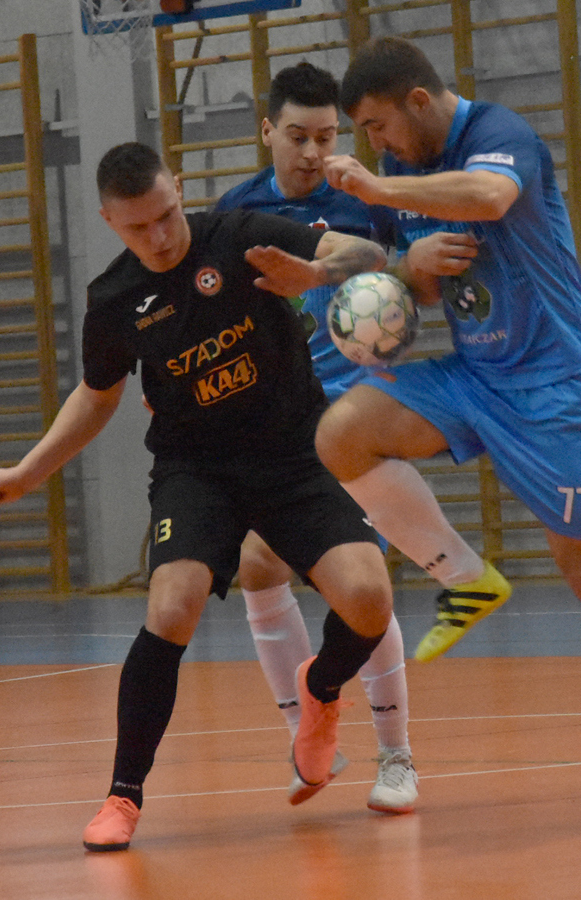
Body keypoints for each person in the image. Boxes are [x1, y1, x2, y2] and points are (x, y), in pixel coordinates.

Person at [315, 37, 581, 825]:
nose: (374, 143)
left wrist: (382, 187)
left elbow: (489, 199)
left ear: (418, 103)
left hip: (557, 390)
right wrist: (409, 268)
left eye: (378, 124)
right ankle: (465, 577)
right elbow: (413, 281)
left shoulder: (500, 134)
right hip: (475, 377)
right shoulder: (420, 171)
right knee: (344, 432)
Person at [0, 141, 394, 851]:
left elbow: (371, 255)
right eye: (140, 227)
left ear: (180, 189)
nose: (161, 236)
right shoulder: (113, 300)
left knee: (369, 599)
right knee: (171, 606)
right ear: (111, 222)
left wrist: (315, 272)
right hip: (197, 469)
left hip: (294, 454)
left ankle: (320, 688)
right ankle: (122, 796)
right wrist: (26, 473)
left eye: (167, 215)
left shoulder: (244, 236)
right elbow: (96, 397)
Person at [212, 60, 500, 814]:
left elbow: (417, 274)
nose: (312, 152)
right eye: (298, 136)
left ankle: (398, 757)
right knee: (258, 569)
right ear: (267, 131)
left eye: (328, 137)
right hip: (272, 425)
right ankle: (308, 731)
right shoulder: (233, 213)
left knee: (360, 588)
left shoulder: (368, 199)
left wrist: (405, 271)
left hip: (352, 413)